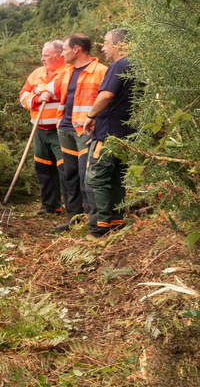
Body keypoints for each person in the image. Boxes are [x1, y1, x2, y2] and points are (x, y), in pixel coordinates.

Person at [81, 28, 136, 239]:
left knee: (97, 179)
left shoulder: (119, 66)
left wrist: (91, 115)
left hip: (108, 135)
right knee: (117, 179)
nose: (103, 48)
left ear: (120, 45)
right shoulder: (139, 66)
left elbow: (106, 96)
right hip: (127, 135)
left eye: (106, 43)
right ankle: (116, 222)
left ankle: (99, 228)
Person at [52, 34, 107, 232]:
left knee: (87, 176)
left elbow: (108, 98)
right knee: (70, 175)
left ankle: (93, 220)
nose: (63, 53)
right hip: (65, 129)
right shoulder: (67, 71)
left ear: (76, 50)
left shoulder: (100, 71)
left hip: (86, 131)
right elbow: (54, 89)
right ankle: (75, 218)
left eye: (65, 49)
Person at [18, 40, 69, 213]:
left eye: (46, 55)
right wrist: (36, 98)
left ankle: (74, 207)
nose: (42, 59)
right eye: (42, 55)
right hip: (39, 130)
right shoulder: (36, 73)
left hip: (59, 131)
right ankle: (50, 206)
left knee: (66, 168)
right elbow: (23, 95)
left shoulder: (67, 71)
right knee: (43, 167)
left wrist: (41, 90)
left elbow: (61, 90)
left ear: (58, 55)